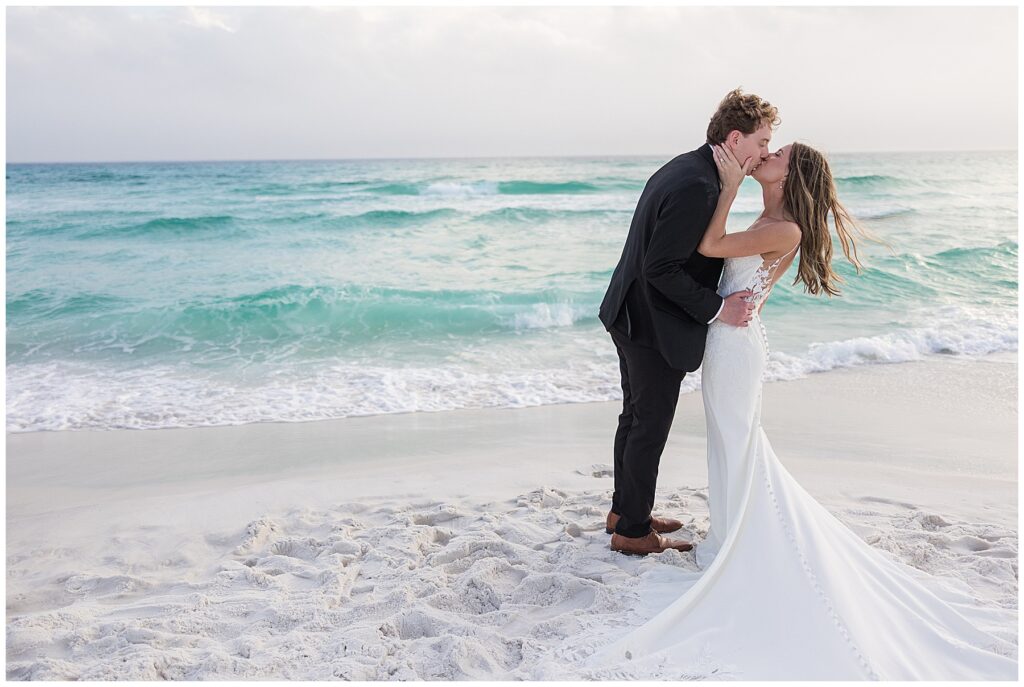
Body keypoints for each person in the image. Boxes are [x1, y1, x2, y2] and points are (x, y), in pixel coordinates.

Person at [583, 142, 1018, 679]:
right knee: (728, 443)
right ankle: (721, 530)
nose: (768, 153)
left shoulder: (784, 227)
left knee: (740, 444)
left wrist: (726, 184)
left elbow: (712, 243)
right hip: (725, 342)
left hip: (736, 349)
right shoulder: (770, 215)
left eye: (779, 153)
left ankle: (742, 538)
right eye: (768, 146)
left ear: (792, 177)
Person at [597, 88, 777, 555]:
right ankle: (632, 533)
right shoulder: (700, 185)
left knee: (635, 416)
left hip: (629, 312)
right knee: (649, 425)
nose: (763, 153)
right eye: (761, 142)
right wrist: (719, 309)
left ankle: (625, 510)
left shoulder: (690, 165)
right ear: (735, 139)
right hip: (651, 323)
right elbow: (661, 268)